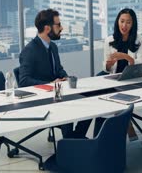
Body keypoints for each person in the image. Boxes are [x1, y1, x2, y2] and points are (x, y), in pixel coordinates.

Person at [19, 8, 91, 138]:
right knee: (67, 111)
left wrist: (65, 77)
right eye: (58, 25)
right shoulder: (29, 50)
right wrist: (50, 84)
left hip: (57, 93)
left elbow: (58, 69)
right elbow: (24, 81)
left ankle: (75, 139)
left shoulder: (52, 46)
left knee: (89, 102)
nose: (62, 28)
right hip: (41, 97)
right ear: (47, 28)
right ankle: (71, 144)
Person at [101, 8, 142, 141]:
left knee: (116, 97)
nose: (124, 25)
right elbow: (106, 67)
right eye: (122, 21)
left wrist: (126, 57)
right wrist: (109, 64)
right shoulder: (109, 40)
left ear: (133, 24)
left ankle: (123, 125)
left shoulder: (140, 40)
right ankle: (127, 123)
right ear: (117, 22)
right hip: (115, 78)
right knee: (112, 93)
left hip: (133, 78)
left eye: (128, 22)